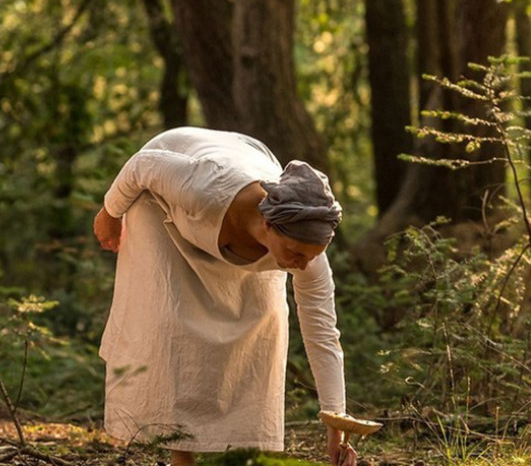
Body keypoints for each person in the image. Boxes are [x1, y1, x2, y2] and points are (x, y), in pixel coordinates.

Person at [93, 127, 356, 466]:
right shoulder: (204, 189)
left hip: (244, 155)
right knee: (173, 315)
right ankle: (181, 453)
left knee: (265, 323)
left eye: (311, 255)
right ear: (269, 225)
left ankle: (244, 451)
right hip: (161, 191)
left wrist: (337, 421)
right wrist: (109, 213)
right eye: (295, 253)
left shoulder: (306, 252)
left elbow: (322, 334)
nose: (302, 264)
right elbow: (142, 165)